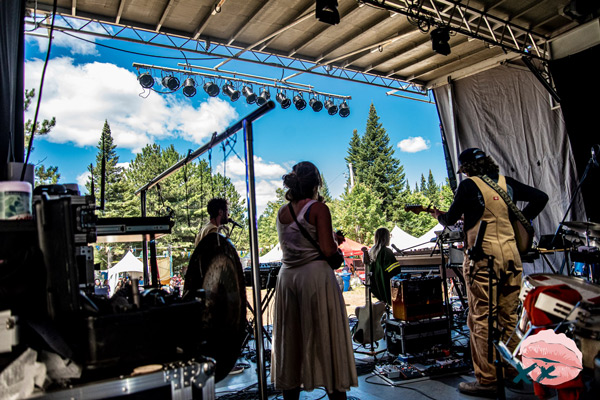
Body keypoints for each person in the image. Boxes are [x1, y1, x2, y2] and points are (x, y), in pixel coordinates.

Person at [429, 147, 548, 397]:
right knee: (508, 317)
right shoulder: (507, 183)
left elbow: (450, 219)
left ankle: (487, 380)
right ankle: (512, 373)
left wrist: (438, 216)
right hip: (511, 257)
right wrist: (520, 221)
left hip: (484, 259)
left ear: (467, 169)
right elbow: (541, 197)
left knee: (481, 318)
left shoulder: (468, 186)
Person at [272, 161, 358, 400]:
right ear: (316, 183)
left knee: (292, 340)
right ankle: (335, 391)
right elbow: (329, 253)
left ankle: (290, 392)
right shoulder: (319, 209)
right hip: (315, 279)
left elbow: (298, 243)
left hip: (288, 279)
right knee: (325, 336)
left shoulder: (281, 211)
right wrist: (336, 248)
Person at [364, 227, 400, 305]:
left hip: (378, 286)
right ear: (385, 238)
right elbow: (395, 270)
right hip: (386, 284)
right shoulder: (386, 251)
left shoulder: (373, 251)